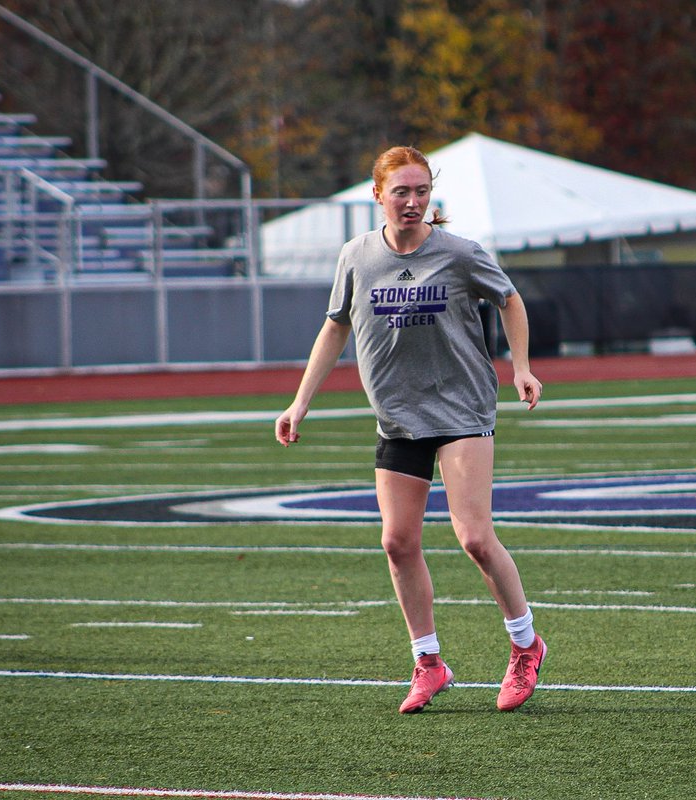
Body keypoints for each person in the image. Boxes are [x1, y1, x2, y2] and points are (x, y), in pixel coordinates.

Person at [274, 145, 546, 714]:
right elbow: (335, 328)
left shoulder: (459, 253)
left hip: (462, 412)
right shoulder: (357, 256)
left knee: (473, 536)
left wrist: (520, 366)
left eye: (422, 191)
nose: (413, 201)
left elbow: (511, 300)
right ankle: (429, 662)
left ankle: (525, 646)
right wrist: (300, 403)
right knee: (397, 542)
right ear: (378, 195)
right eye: (402, 191)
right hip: (398, 418)